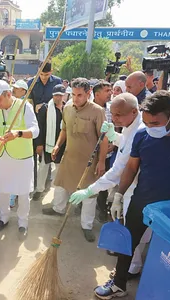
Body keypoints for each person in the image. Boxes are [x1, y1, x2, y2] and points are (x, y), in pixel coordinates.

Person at [94, 90, 170, 299]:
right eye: (146, 122)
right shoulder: (141, 135)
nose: (150, 128)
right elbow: (131, 167)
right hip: (143, 202)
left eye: (155, 123)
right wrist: (119, 194)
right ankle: (118, 284)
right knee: (127, 244)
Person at [69, 93, 151, 280]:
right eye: (112, 114)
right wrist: (115, 136)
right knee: (132, 230)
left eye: (118, 115)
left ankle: (132, 269)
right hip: (131, 187)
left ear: (134, 111)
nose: (114, 118)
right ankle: (132, 264)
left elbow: (117, 171)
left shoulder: (140, 130)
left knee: (134, 232)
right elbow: (125, 144)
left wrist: (90, 190)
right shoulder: (131, 126)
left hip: (136, 188)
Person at [48, 78, 108, 242]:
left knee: (88, 195)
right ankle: (58, 208)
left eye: (80, 95)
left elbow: (104, 139)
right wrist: (57, 145)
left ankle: (86, 226)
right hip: (69, 156)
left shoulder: (97, 111)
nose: (76, 98)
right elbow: (64, 129)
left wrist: (101, 161)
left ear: (89, 94)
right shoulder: (67, 108)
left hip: (89, 162)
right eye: (73, 94)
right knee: (61, 184)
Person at [0, 80, 39, 237]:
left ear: (8, 94)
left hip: (22, 157)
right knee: (3, 189)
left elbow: (35, 130)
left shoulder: (24, 107)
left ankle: (23, 222)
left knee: (22, 192)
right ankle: (4, 218)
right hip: (2, 156)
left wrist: (18, 133)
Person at [34, 84, 66, 201]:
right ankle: (39, 189)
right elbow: (40, 127)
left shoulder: (67, 108)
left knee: (59, 168)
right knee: (43, 167)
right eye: (56, 95)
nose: (58, 98)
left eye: (60, 95)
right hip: (47, 143)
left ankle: (57, 194)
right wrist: (39, 144)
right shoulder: (45, 108)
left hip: (61, 144)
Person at [92, 81, 113, 222]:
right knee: (87, 179)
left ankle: (101, 208)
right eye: (107, 90)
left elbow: (116, 127)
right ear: (97, 94)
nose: (110, 93)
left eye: (110, 90)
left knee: (103, 180)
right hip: (89, 153)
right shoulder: (87, 107)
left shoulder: (111, 108)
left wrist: (113, 142)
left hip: (106, 153)